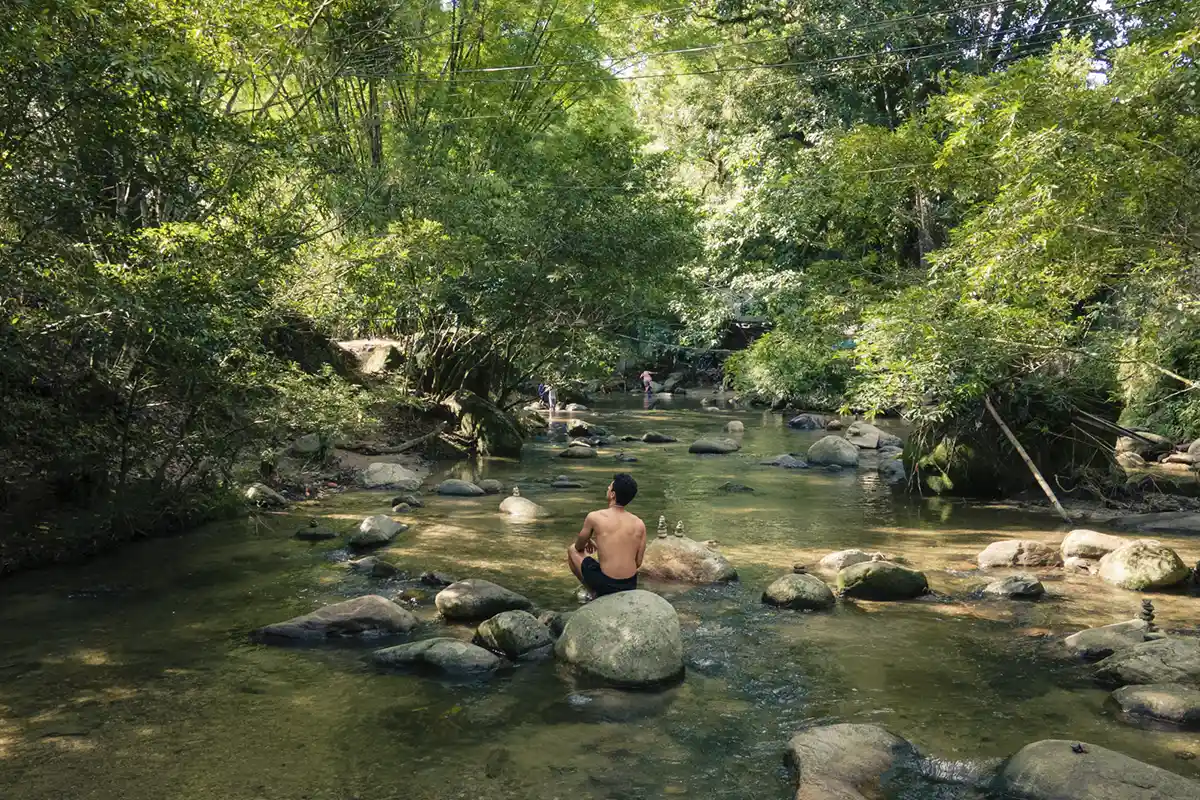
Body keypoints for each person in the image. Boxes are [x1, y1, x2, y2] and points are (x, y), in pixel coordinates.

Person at [567, 473, 645, 597]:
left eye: (609, 487)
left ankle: (593, 592)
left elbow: (578, 547)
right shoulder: (639, 523)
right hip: (630, 584)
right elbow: (638, 562)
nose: (607, 488)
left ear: (613, 494)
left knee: (572, 550)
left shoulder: (595, 517)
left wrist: (587, 540)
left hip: (606, 584)